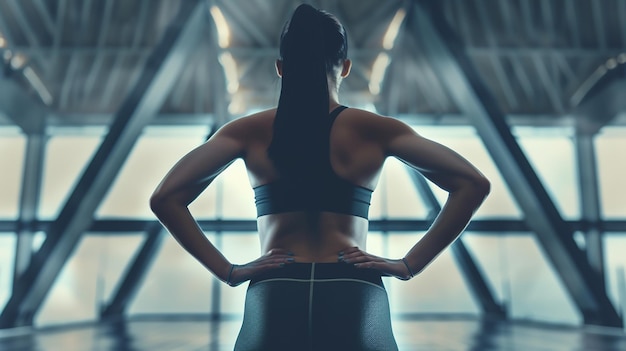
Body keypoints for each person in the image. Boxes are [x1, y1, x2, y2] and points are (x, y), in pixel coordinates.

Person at [150, 4, 490, 351]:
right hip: (353, 287)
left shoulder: (246, 132)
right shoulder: (375, 131)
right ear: (345, 67)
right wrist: (408, 265)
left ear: (281, 68)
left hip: (276, 287)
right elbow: (473, 184)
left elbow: (165, 198)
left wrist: (229, 271)